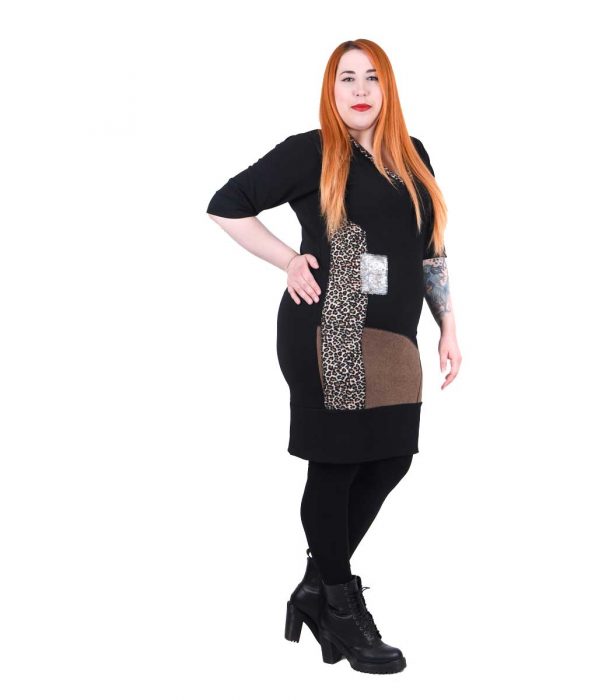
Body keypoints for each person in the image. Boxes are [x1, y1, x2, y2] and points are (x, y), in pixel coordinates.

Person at [206, 39, 461, 674]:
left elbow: (430, 249)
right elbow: (227, 204)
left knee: (392, 457)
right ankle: (342, 607)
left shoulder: (414, 156)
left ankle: (317, 588)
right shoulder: (313, 151)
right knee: (338, 464)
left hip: (397, 335)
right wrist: (288, 260)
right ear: (331, 89)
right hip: (334, 324)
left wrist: (448, 324)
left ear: (388, 87)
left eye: (372, 77)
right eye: (347, 78)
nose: (360, 89)